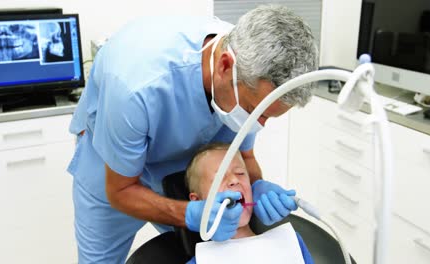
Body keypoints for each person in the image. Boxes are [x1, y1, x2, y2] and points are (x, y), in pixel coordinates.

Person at [68, 4, 318, 263]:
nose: (260, 124)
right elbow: (120, 190)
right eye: (254, 111)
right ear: (224, 66)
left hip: (196, 172)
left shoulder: (250, 64)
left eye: (267, 116)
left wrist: (256, 187)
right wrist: (190, 214)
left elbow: (245, 155)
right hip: (113, 170)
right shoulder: (136, 88)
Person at [184, 143, 314, 264]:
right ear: (197, 202)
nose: (234, 179)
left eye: (240, 173)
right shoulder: (201, 260)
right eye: (219, 177)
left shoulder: (291, 243)